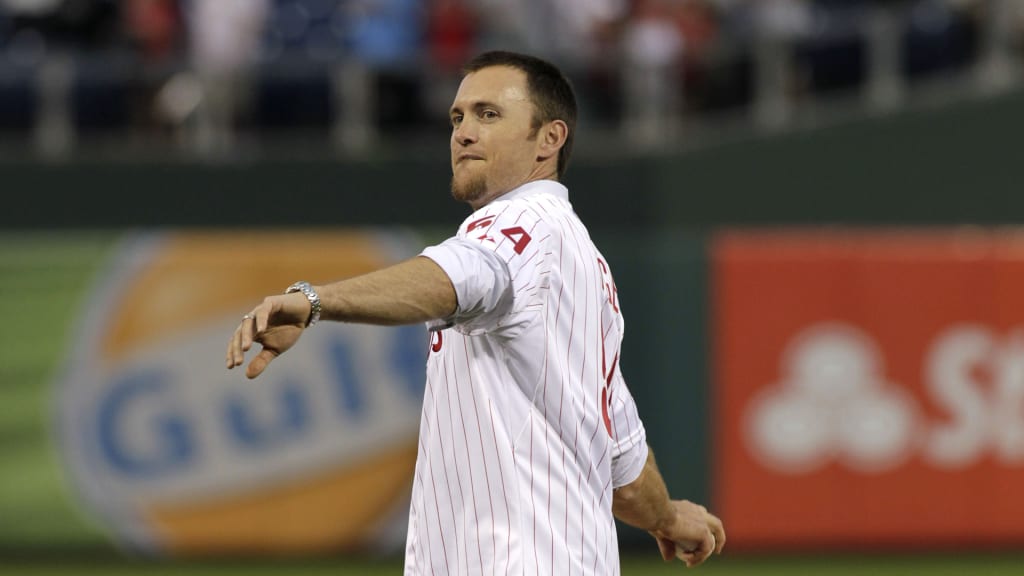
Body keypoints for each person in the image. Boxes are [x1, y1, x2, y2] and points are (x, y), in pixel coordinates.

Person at [225, 50, 725, 575]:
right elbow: (619, 456)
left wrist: (315, 301)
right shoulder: (581, 262)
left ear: (549, 138)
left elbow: (456, 276)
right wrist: (667, 517)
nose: (463, 133)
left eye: (489, 114)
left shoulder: (525, 222)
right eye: (457, 117)